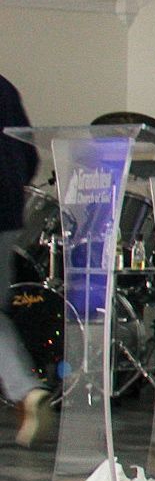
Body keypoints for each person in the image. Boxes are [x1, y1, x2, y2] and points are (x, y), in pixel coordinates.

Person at [0, 72, 52, 447]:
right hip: (7, 215)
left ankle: (24, 388)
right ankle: (26, 389)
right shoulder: (4, 87)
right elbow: (28, 154)